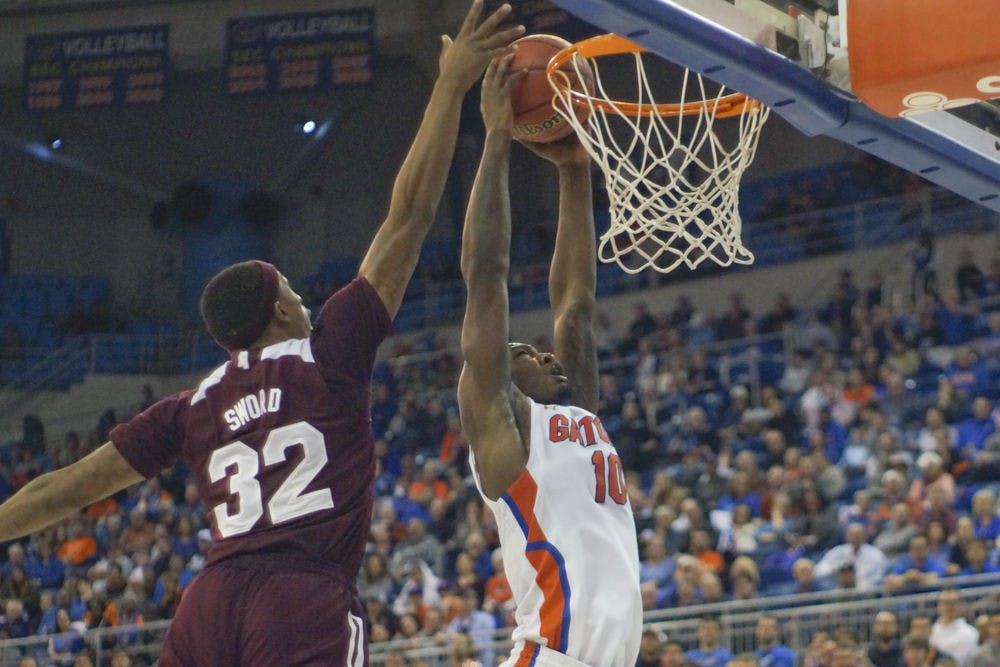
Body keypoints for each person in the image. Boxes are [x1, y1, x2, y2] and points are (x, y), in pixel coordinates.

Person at [0, 3, 523, 664]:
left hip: (209, 602)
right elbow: (409, 216)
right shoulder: (331, 349)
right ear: (279, 309)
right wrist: (449, 85)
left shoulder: (192, 408)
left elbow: (65, 488)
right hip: (302, 597)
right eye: (298, 295)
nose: (307, 304)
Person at [455, 53, 642, 666]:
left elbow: (576, 307)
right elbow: (486, 276)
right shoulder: (506, 435)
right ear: (499, 379)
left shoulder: (579, 413)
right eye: (524, 354)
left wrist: (574, 170)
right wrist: (498, 138)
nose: (544, 354)